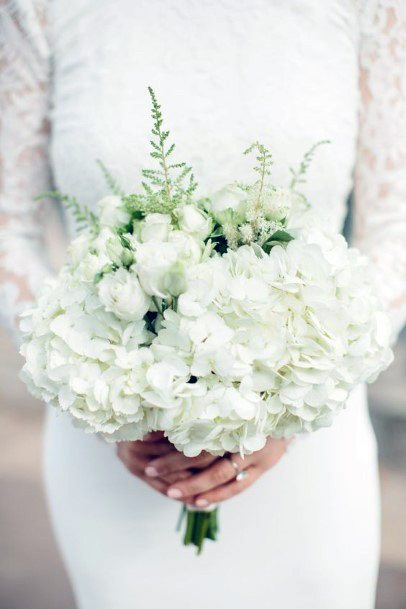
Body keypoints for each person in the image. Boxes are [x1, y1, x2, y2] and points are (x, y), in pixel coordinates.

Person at [1, 1, 405, 608]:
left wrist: (284, 408)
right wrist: (108, 392)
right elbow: (7, 221)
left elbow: (396, 221)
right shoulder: (37, 8)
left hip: (309, 436)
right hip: (118, 441)